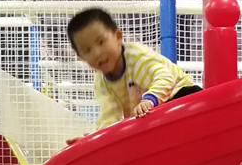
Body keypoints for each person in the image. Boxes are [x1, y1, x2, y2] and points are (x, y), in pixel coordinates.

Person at [66, 7, 201, 131]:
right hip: (154, 110)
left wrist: (149, 100)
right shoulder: (101, 82)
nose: (97, 53)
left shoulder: (135, 56)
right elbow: (109, 114)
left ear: (118, 37)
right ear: (81, 57)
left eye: (101, 42)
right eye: (87, 50)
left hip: (181, 95)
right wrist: (96, 139)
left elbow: (166, 78)